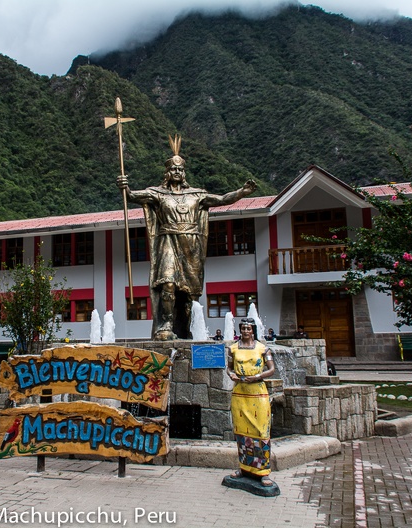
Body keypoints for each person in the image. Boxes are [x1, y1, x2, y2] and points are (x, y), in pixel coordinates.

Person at [117, 135, 257, 340]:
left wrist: (241, 192)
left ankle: (183, 327)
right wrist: (125, 186)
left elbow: (221, 199)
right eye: (173, 169)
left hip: (190, 246)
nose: (176, 172)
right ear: (167, 172)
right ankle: (165, 325)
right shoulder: (157, 194)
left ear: (184, 173)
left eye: (180, 169)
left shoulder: (196, 195)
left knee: (187, 293)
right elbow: (131, 196)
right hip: (167, 241)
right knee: (167, 282)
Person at [226, 317, 276, 486]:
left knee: (261, 431)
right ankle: (244, 467)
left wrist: (257, 376)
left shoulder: (262, 348)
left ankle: (263, 471)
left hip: (257, 392)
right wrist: (231, 374)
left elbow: (271, 369)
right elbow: (229, 367)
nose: (246, 331)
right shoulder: (233, 348)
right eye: (243, 329)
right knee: (241, 431)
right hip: (240, 392)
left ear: (253, 330)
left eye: (248, 329)